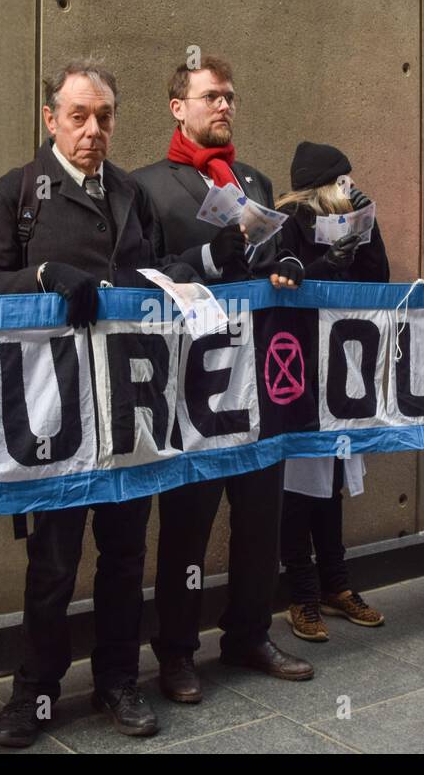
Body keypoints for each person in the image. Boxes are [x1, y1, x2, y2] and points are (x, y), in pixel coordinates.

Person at [0, 58, 200, 748]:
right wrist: (40, 275)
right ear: (51, 120)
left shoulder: (131, 194)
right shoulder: (16, 195)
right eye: (78, 116)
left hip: (127, 408)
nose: (93, 130)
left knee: (125, 554)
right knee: (54, 561)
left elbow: (146, 273)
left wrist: (170, 278)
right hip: (55, 416)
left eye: (104, 117)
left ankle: (117, 683)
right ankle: (33, 691)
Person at [132, 56, 312, 703]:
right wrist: (207, 263)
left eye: (230, 96)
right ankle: (176, 652)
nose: (224, 106)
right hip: (189, 384)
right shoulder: (145, 186)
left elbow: (278, 252)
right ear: (178, 106)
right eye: (211, 96)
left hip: (259, 380)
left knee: (261, 514)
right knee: (187, 523)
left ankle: (248, 633)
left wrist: (290, 256)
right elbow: (143, 273)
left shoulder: (255, 179)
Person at [272, 142, 389, 641]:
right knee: (298, 486)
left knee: (331, 481)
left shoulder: (353, 219)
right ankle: (301, 593)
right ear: (325, 184)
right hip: (297, 370)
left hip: (341, 370)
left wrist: (366, 229)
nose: (350, 185)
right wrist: (328, 264)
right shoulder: (289, 222)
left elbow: (378, 279)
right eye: (344, 180)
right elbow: (282, 283)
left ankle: (335, 584)